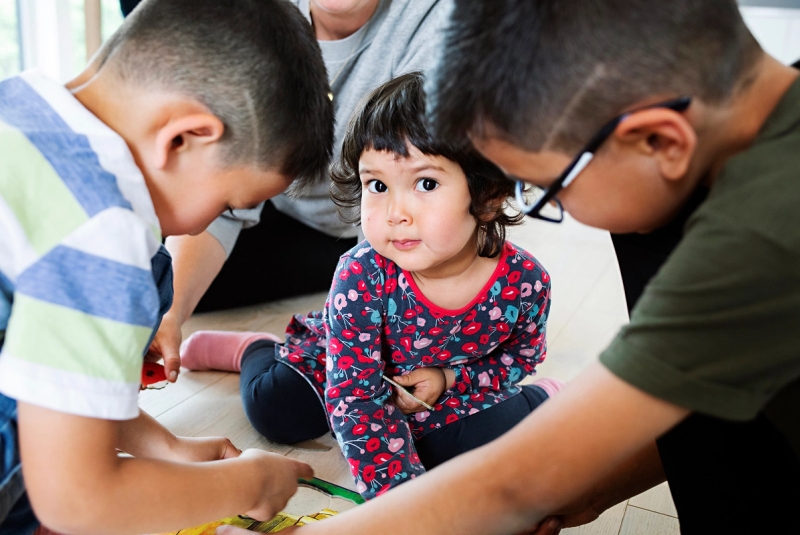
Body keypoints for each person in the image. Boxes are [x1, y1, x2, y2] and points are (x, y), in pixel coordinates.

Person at [238, 1, 795, 534]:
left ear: (659, 140)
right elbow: (699, 402)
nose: (557, 207)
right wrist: (591, 490)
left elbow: (509, 486)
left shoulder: (763, 231)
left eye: (548, 186)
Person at [0, 0, 334, 532]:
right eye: (227, 205)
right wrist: (249, 484)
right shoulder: (103, 230)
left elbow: (49, 375)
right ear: (183, 137)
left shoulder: (17, 108)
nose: (205, 227)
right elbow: (77, 500)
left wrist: (166, 447)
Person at [178, 72, 563, 501]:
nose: (395, 211)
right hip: (342, 362)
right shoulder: (361, 274)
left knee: (462, 451)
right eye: (377, 185)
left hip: (439, 392)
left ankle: (536, 402)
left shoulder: (525, 282)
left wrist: (449, 377)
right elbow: (356, 400)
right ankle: (255, 350)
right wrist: (403, 508)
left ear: (488, 194)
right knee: (279, 410)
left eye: (426, 183)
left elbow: (521, 357)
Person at [132, 0, 454, 386]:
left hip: (371, 226)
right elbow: (221, 195)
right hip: (270, 205)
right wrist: (169, 315)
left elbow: (418, 190)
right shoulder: (255, 21)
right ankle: (253, 346)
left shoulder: (435, 23)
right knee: (164, 275)